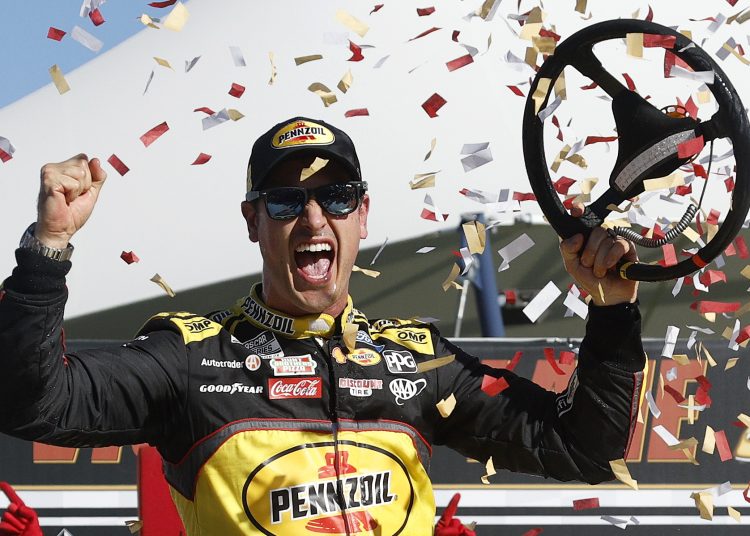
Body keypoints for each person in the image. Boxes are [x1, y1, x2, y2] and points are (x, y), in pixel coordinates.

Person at [0, 116, 645, 535]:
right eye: (286, 201)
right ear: (253, 221)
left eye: (336, 198)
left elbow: (583, 446)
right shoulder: (188, 357)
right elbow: (33, 405)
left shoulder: (418, 361)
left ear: (362, 215)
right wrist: (47, 248)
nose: (313, 220)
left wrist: (612, 310)